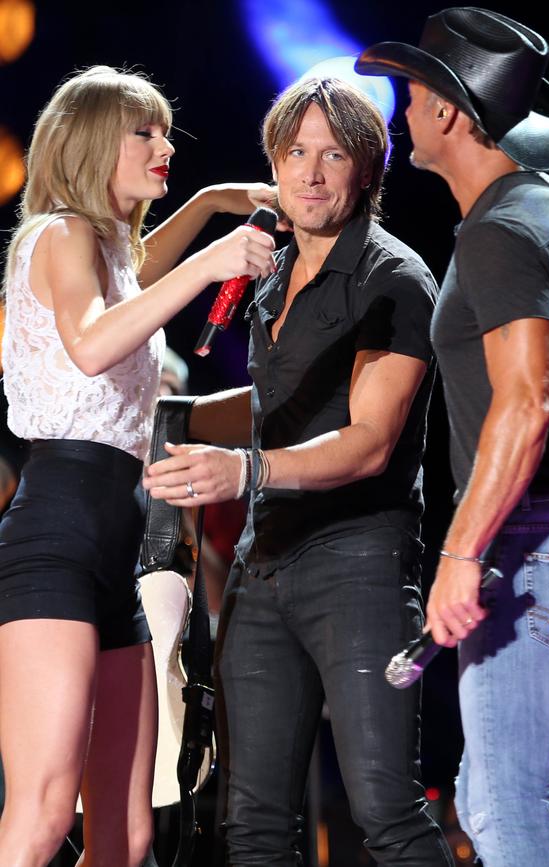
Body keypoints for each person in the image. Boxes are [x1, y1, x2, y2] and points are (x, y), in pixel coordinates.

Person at [356, 8, 549, 865]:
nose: (402, 112)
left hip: (530, 546)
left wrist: (460, 550)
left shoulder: (498, 231)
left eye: (409, 97)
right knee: (490, 800)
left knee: (510, 815)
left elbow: (525, 406)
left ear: (448, 112)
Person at [145, 77, 454, 866]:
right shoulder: (271, 273)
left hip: (358, 563)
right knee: (251, 824)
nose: (311, 172)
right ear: (273, 166)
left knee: (385, 807)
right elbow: (276, 397)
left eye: (333, 154)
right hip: (263, 563)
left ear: (366, 172)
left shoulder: (396, 279)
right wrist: (167, 418)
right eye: (295, 153)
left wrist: (244, 468)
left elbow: (369, 439)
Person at [0, 65, 275, 867]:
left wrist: (215, 199)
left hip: (114, 554)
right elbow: (92, 341)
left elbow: (134, 283)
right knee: (44, 814)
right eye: (144, 132)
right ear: (92, 143)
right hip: (54, 542)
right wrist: (215, 256)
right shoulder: (60, 234)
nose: (165, 145)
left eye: (166, 129)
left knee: (126, 838)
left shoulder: (104, 251)